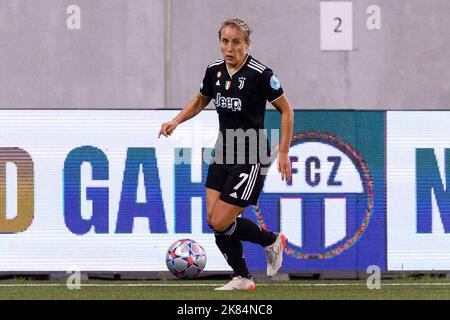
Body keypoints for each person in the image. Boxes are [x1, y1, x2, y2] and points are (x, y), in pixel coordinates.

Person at [158, 17, 294, 290]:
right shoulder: (214, 71)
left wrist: (284, 152)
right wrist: (175, 120)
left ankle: (270, 240)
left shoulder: (261, 74)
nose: (229, 48)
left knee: (222, 221)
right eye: (224, 41)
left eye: (236, 42)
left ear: (247, 44)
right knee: (213, 220)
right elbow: (200, 100)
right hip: (223, 150)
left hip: (251, 153)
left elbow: (287, 111)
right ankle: (242, 277)